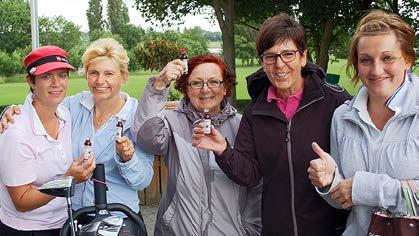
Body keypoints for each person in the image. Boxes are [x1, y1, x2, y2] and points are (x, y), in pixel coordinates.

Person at [192, 13, 351, 235]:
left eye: (288, 54)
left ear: (303, 56)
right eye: (270, 56)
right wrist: (223, 150)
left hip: (330, 229)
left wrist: (333, 176)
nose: (279, 64)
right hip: (277, 228)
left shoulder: (335, 101)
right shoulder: (256, 111)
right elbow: (250, 174)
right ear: (263, 62)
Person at [0, 38, 154, 217]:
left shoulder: (139, 118)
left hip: (118, 218)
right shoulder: (72, 106)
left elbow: (142, 182)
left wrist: (129, 158)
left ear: (124, 77)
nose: (99, 81)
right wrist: (11, 112)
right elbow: (40, 105)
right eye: (93, 73)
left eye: (109, 74)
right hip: (74, 217)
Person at [307, 10, 418, 235]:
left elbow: (357, 190)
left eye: (387, 58)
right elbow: (344, 199)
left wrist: (365, 188)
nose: (376, 70)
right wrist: (329, 183)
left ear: (407, 59)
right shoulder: (342, 117)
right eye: (366, 60)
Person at [131, 54, 262, 235]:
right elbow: (147, 138)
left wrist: (250, 230)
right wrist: (159, 84)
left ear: (225, 88)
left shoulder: (243, 127)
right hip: (178, 230)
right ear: (186, 89)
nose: (205, 89)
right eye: (196, 83)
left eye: (214, 82)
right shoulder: (172, 123)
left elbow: (257, 186)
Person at [0, 46, 95, 235]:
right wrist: (68, 180)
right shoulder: (16, 132)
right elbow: (21, 201)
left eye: (62, 75)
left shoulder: (66, 114)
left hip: (63, 222)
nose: (56, 83)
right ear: (31, 81)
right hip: (26, 229)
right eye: (46, 76)